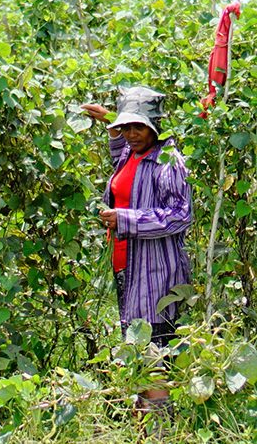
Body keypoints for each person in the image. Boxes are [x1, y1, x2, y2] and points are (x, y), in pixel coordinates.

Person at [81, 85, 192, 413]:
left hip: (156, 274)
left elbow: (179, 215)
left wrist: (126, 220)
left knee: (154, 350)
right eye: (127, 127)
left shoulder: (168, 161)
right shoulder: (133, 151)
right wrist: (111, 123)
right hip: (127, 269)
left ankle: (158, 428)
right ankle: (143, 426)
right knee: (137, 349)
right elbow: (124, 164)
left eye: (139, 127)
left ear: (155, 127)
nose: (131, 134)